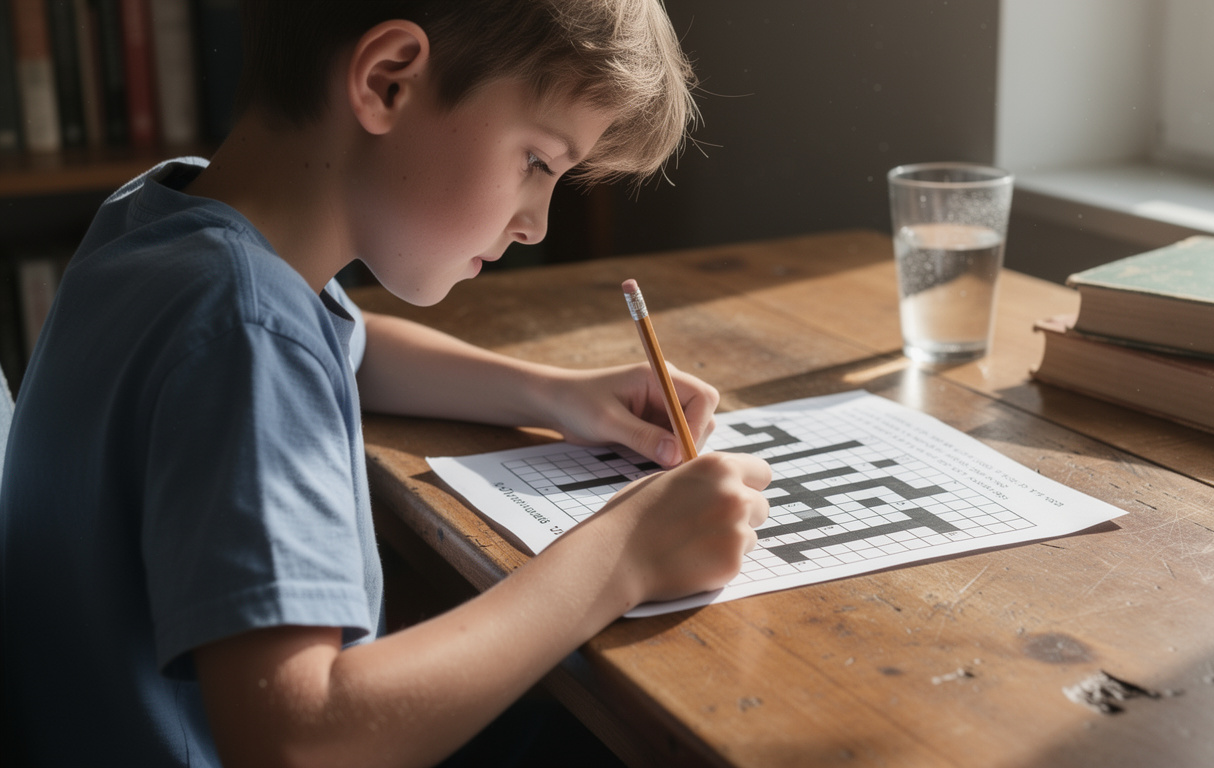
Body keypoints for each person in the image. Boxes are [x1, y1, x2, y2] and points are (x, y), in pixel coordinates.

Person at [0, 1, 772, 765]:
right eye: (537, 162)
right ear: (387, 82)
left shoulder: (168, 225)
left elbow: (354, 349)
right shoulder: (245, 331)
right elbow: (298, 740)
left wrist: (552, 392)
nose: (535, 222)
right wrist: (622, 555)